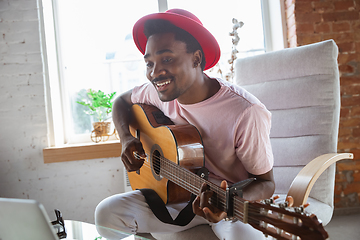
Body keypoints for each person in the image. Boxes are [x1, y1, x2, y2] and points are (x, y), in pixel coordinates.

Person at [95, 8, 275, 240]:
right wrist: (126, 139)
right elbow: (121, 101)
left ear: (196, 59)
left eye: (167, 59)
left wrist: (228, 203)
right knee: (106, 214)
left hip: (226, 204)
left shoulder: (246, 112)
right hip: (175, 197)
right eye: (149, 63)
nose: (155, 73)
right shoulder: (157, 92)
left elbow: (266, 183)